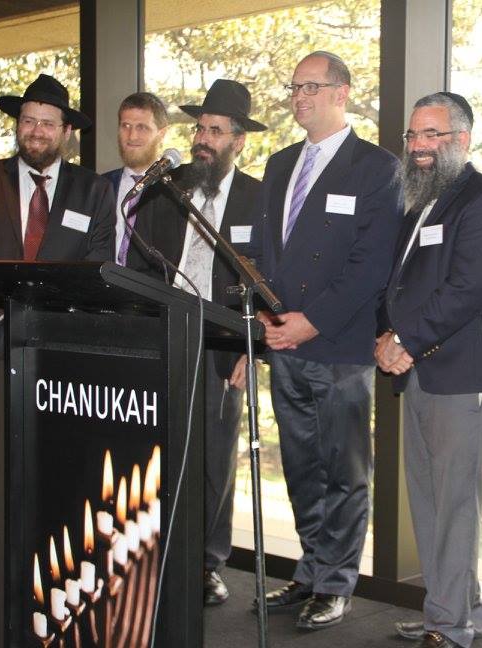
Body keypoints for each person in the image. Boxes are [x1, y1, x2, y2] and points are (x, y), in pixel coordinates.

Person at [248, 50, 402, 630]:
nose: (299, 97)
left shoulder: (377, 168)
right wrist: (269, 317)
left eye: (311, 87)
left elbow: (371, 265)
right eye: (295, 87)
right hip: (283, 343)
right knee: (301, 468)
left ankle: (336, 583)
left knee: (344, 472)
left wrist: (311, 322)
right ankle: (310, 571)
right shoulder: (280, 163)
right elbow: (265, 251)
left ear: (342, 92)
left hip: (337, 346)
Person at [376, 92, 482, 648]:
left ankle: (448, 626)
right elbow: (400, 285)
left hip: (460, 377)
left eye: (432, 134)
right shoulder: (420, 202)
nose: (419, 146)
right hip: (420, 373)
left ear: (462, 139)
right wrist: (387, 337)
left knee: (454, 507)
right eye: (413, 136)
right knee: (430, 504)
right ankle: (454, 614)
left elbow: (468, 289)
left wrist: (404, 341)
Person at [126, 79, 265, 606]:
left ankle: (207, 563)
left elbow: (267, 277)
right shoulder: (167, 186)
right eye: (200, 128)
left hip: (223, 344)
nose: (203, 139)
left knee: (215, 460)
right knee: (157, 452)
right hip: (167, 334)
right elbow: (140, 262)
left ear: (238, 141)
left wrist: (252, 349)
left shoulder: (258, 197)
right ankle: (158, 553)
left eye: (216, 131)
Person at [0, 73, 115, 353]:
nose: (36, 131)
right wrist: (2, 308)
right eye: (28, 121)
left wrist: (47, 317)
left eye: (48, 123)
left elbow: (96, 263)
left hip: (59, 339)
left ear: (66, 131)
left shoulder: (94, 190)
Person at [103, 91, 168, 267]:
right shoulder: (101, 186)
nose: (131, 136)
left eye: (142, 127)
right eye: (125, 126)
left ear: (162, 133)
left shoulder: (173, 191)